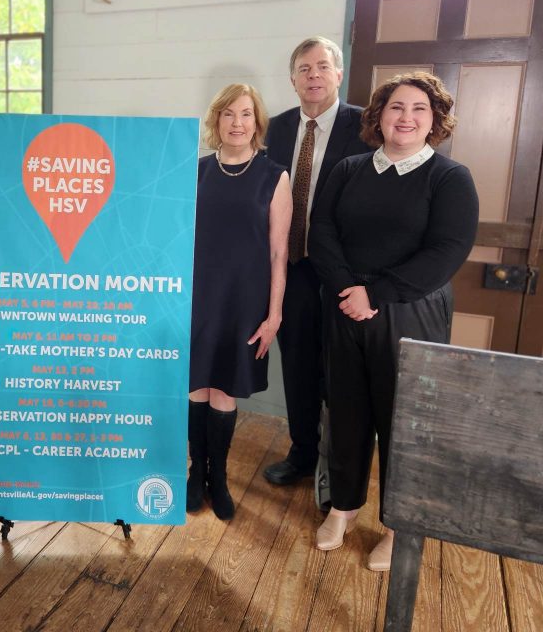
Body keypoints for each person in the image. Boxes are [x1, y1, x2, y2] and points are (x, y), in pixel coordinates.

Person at [308, 72, 478, 571]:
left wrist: (374, 294)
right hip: (344, 305)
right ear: (378, 116)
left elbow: (446, 252)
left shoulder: (450, 178)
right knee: (345, 411)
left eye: (418, 109)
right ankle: (343, 507)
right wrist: (348, 289)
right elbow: (321, 231)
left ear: (434, 120)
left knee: (403, 422)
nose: (406, 117)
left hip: (410, 309)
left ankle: (400, 525)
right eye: (396, 107)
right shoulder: (348, 169)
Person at [262, 36, 371, 487]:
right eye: (304, 69)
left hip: (347, 272)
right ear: (292, 79)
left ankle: (341, 467)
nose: (314, 76)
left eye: (322, 66)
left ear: (339, 74)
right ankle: (303, 452)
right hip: (295, 267)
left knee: (343, 371)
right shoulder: (275, 128)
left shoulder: (367, 126)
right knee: (299, 365)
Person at [188, 84, 293, 520]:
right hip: (197, 297)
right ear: (216, 121)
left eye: (246, 114)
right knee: (196, 387)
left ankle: (219, 477)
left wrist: (274, 315)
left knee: (226, 388)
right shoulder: (194, 171)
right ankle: (196, 474)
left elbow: (278, 252)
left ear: (257, 122)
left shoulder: (274, 176)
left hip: (245, 298)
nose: (237, 122)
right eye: (228, 114)